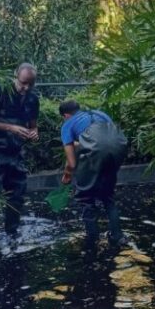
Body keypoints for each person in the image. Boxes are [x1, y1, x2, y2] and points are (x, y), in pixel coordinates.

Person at [0, 63, 39, 243]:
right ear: (15, 76)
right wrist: (10, 127)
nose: (25, 88)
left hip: (15, 154)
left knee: (18, 193)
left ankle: (12, 234)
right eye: (23, 83)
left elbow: (34, 125)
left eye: (30, 85)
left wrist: (34, 133)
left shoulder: (33, 99)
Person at [59, 101, 128, 247]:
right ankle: (118, 236)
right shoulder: (98, 114)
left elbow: (71, 163)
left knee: (86, 198)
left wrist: (67, 175)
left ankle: (92, 239)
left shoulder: (68, 124)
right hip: (119, 148)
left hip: (97, 151)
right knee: (108, 196)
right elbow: (105, 139)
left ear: (65, 116)